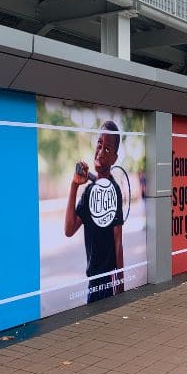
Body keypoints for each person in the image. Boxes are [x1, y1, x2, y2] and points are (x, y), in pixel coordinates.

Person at [64, 121, 124, 303]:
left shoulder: (114, 190)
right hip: (93, 281)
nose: (100, 152)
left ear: (114, 158)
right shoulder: (89, 191)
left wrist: (120, 285)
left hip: (108, 281)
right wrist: (74, 185)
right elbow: (69, 229)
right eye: (99, 144)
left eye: (107, 150)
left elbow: (117, 240)